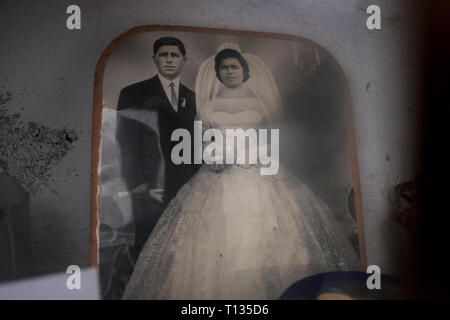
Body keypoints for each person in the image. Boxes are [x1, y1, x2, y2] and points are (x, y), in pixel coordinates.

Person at [123, 43, 360, 300]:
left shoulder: (260, 105)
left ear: (244, 70)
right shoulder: (207, 106)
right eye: (224, 68)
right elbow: (203, 142)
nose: (229, 72)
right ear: (217, 72)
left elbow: (271, 140)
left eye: (234, 67)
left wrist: (257, 155)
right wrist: (213, 156)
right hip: (219, 176)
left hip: (256, 171)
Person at [115, 37, 199, 260]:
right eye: (163, 55)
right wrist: (137, 183)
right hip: (149, 185)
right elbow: (125, 142)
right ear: (154, 59)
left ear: (184, 60)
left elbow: (196, 143)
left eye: (175, 55)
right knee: (147, 252)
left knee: (181, 250)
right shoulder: (133, 93)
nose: (169, 60)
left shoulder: (192, 97)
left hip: (185, 186)